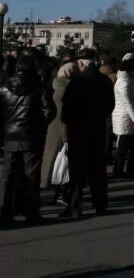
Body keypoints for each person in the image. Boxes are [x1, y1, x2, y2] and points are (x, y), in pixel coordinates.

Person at [0, 53, 56, 224]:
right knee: (31, 175)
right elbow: (50, 111)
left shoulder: (4, 87)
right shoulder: (39, 87)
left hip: (9, 135)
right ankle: (31, 212)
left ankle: (5, 211)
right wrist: (38, 125)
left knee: (8, 176)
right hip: (31, 136)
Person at [61, 48, 114, 218]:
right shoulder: (104, 81)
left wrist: (68, 121)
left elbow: (66, 108)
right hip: (97, 130)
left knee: (77, 173)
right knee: (97, 171)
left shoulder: (76, 82)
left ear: (81, 63)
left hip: (78, 131)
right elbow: (110, 105)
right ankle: (100, 204)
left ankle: (75, 206)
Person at [41, 60, 75, 204]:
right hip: (61, 131)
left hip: (53, 129)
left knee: (53, 162)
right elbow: (64, 115)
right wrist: (66, 137)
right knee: (61, 164)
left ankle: (55, 192)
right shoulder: (65, 88)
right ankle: (60, 193)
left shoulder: (56, 86)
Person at [111, 54, 134, 178]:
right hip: (125, 118)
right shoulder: (123, 82)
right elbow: (127, 102)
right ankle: (119, 170)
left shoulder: (129, 80)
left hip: (129, 117)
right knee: (123, 147)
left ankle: (130, 168)